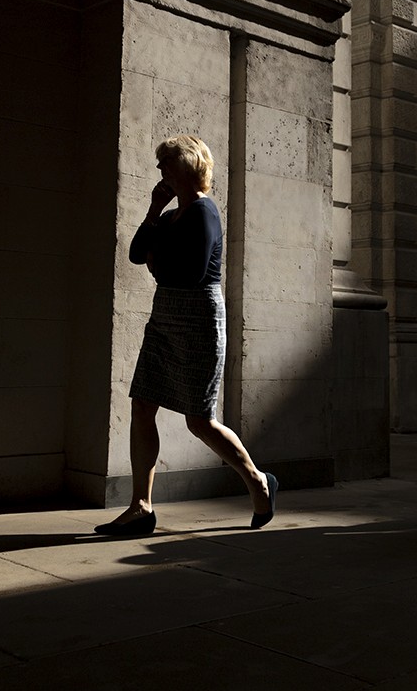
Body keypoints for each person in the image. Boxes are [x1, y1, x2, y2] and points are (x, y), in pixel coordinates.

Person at [94, 134, 278, 536]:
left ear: (189, 165)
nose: (160, 169)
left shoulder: (203, 213)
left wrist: (160, 264)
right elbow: (136, 252)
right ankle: (141, 506)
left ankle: (258, 481)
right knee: (143, 404)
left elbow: (190, 273)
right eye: (160, 164)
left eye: (167, 162)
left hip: (197, 319)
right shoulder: (170, 216)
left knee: (199, 420)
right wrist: (154, 209)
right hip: (165, 318)